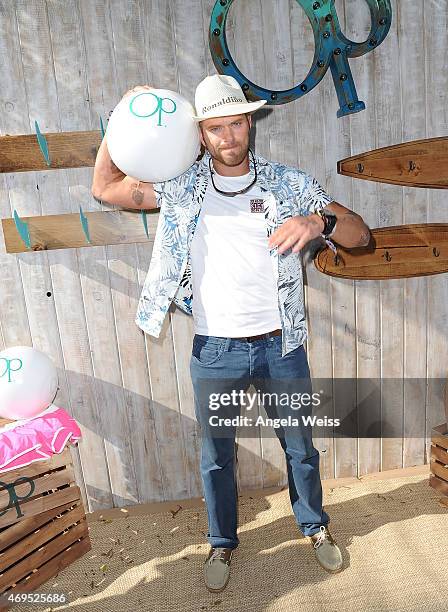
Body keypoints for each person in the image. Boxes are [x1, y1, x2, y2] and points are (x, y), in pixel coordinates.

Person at [92, 74, 371, 594]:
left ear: (249, 123)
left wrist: (319, 224)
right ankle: (222, 541)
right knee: (217, 454)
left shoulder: (289, 185)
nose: (228, 136)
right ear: (201, 134)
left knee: (300, 447)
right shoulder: (181, 188)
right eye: (215, 127)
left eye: (236, 123)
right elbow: (105, 187)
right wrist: (121, 120)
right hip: (215, 349)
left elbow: (361, 235)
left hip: (280, 345)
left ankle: (314, 527)